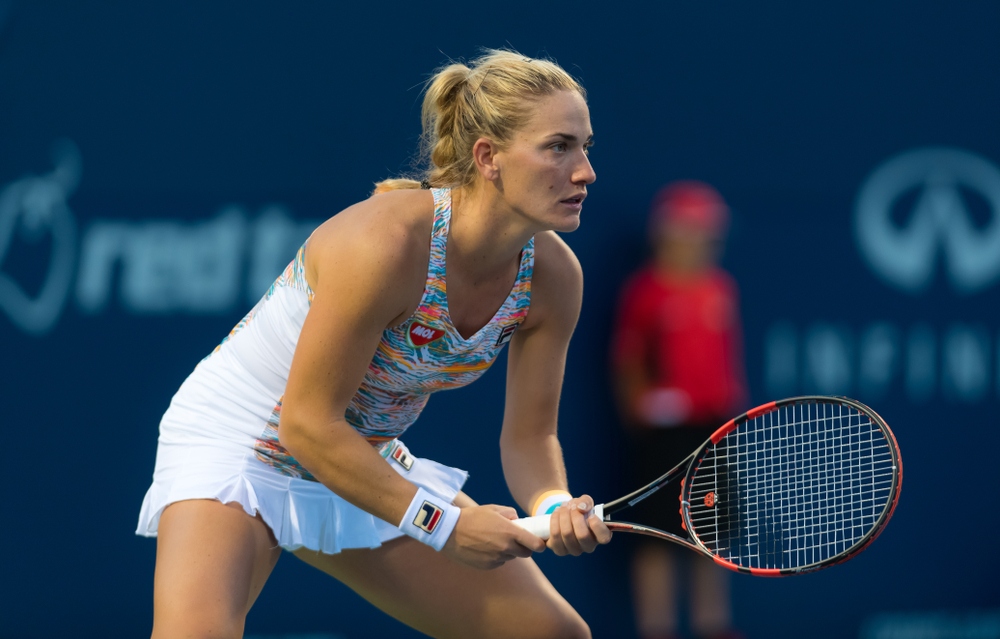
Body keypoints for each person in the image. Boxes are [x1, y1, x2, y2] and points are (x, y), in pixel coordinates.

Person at [136, 49, 611, 639]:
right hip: (243, 441)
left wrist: (553, 506)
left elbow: (530, 436)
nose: (585, 171)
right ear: (488, 157)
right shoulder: (384, 243)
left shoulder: (554, 279)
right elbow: (306, 425)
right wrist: (443, 525)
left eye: (585, 147)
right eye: (558, 147)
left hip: (361, 454)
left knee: (551, 634)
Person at [610, 182, 747, 639]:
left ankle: (713, 627)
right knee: (656, 538)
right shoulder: (645, 291)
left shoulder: (720, 288)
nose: (704, 243)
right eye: (694, 232)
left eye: (710, 234)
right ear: (668, 235)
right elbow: (628, 362)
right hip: (663, 437)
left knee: (711, 538)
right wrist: (644, 406)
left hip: (712, 431)